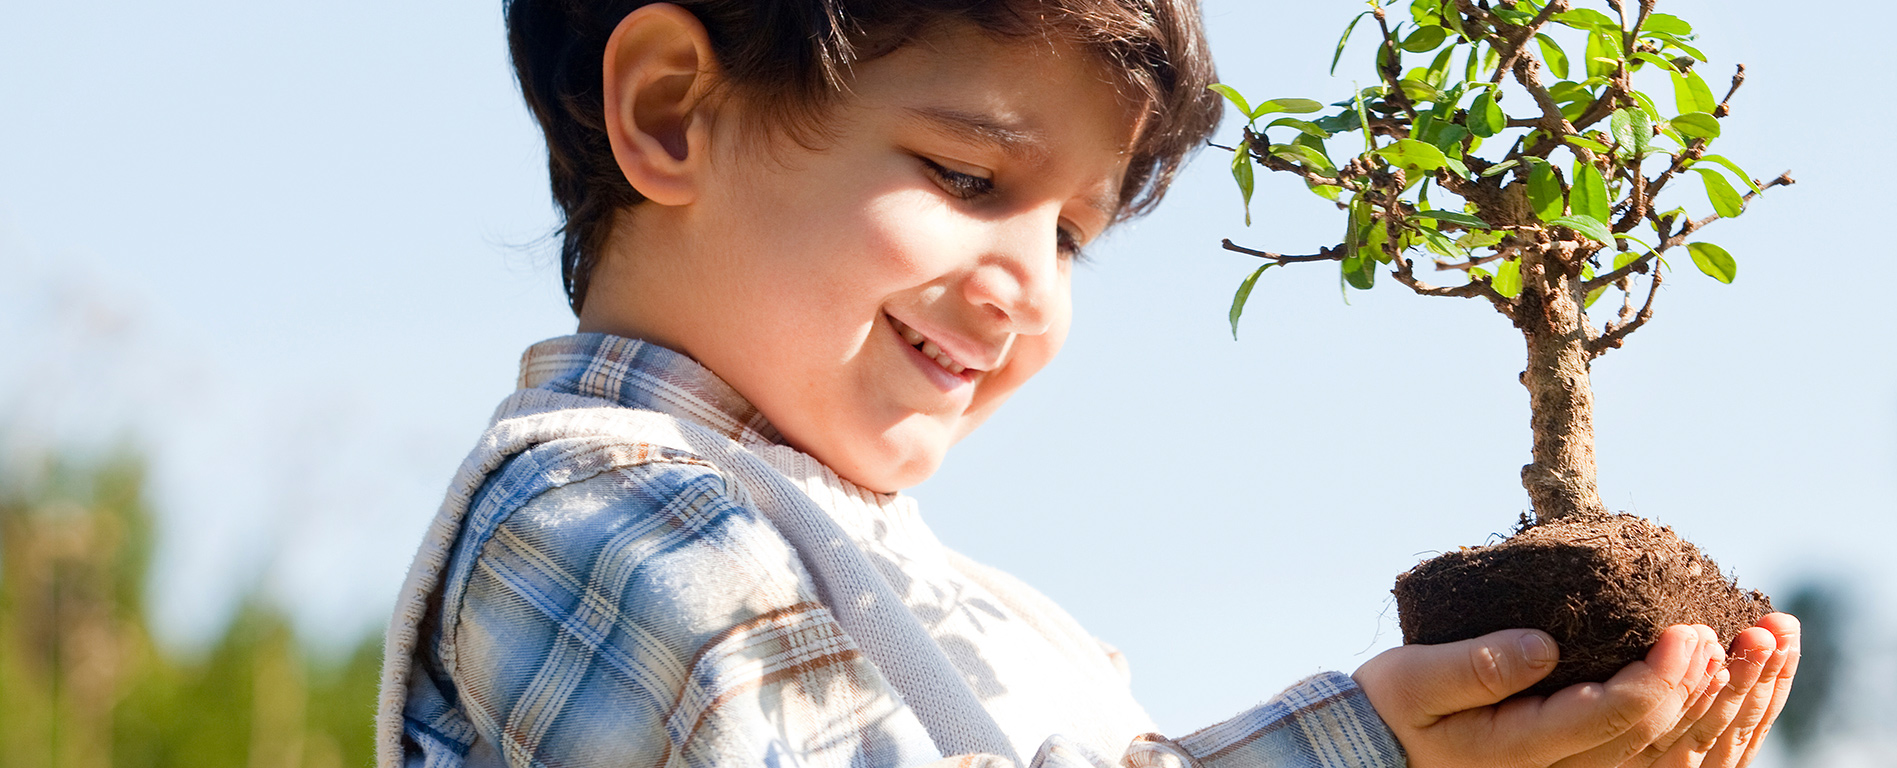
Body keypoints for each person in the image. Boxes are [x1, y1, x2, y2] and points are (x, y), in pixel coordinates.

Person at [374, 1, 1800, 766]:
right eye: (967, 177)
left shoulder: (947, 602)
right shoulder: (603, 523)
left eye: (1070, 235)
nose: (1029, 284)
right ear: (674, 111)